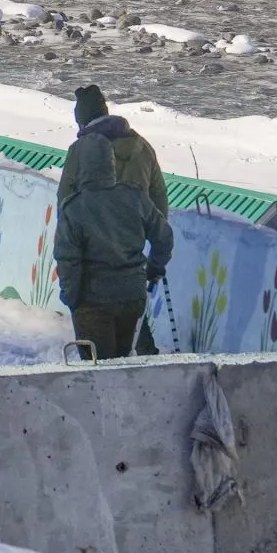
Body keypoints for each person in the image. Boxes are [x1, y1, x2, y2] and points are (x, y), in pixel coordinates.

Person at [53, 84, 173, 363]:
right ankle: (147, 362)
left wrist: (71, 293)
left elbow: (65, 203)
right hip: (131, 261)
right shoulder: (142, 146)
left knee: (99, 360)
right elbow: (159, 200)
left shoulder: (80, 150)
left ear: (81, 119)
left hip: (92, 278)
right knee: (129, 335)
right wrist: (150, 254)